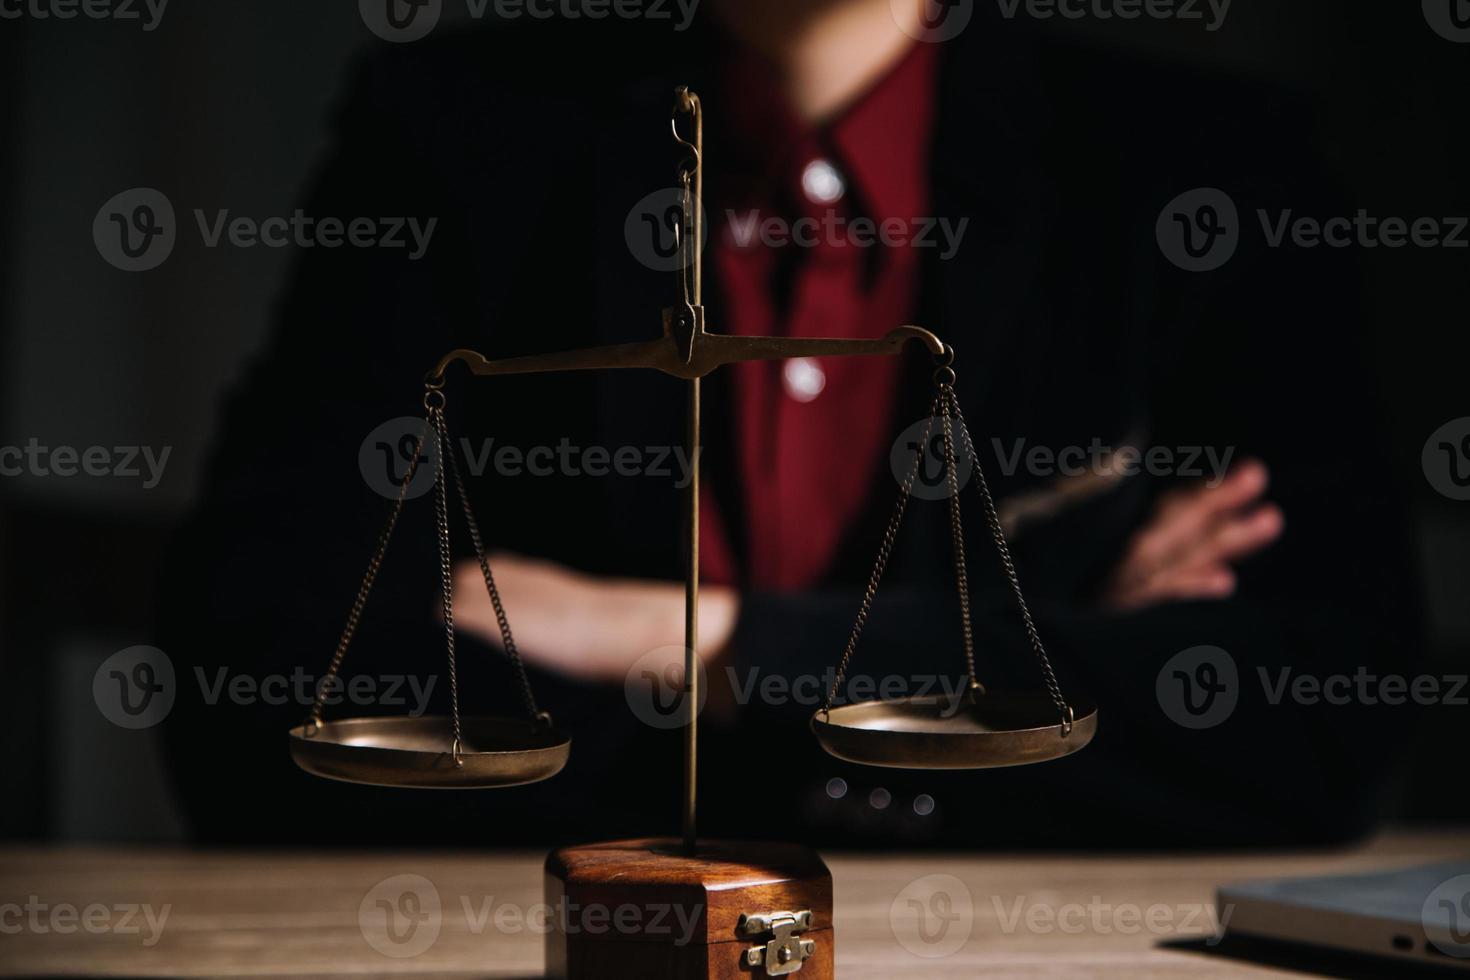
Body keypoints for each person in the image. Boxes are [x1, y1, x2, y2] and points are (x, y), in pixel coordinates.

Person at [159, 0, 1419, 848]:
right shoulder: (459, 135)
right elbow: (257, 682)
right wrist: (1049, 655)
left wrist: (695, 639)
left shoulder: (1204, 165)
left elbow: (1322, 713)